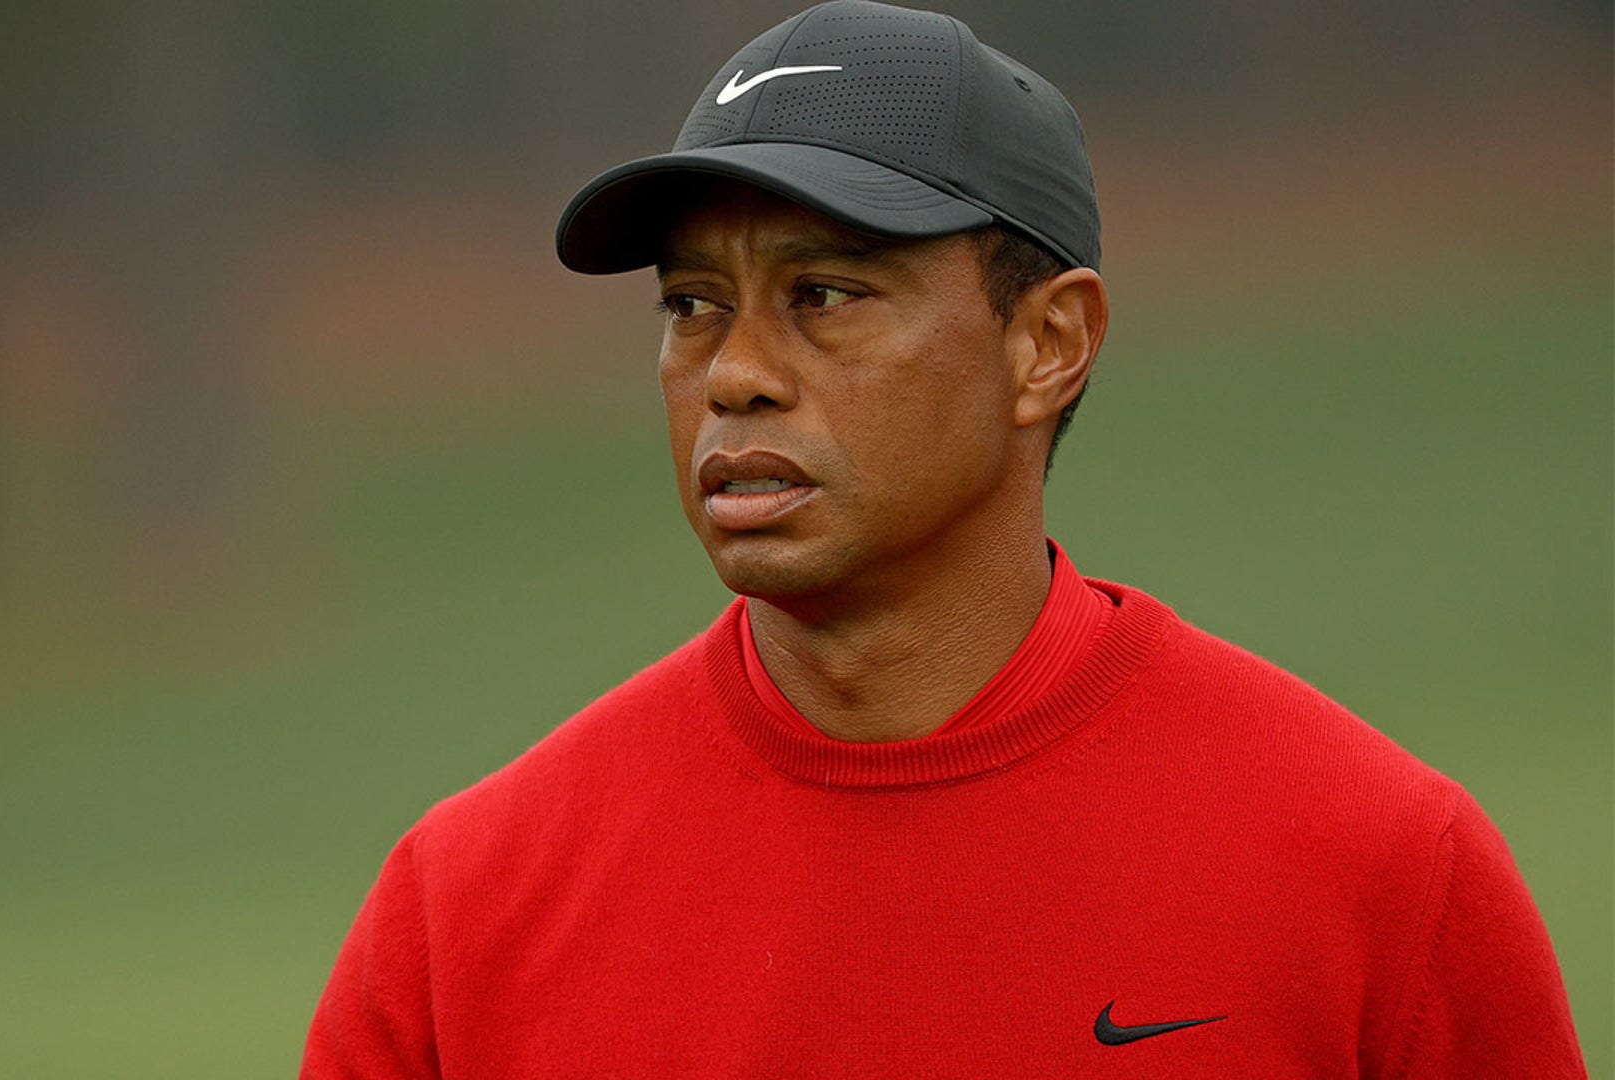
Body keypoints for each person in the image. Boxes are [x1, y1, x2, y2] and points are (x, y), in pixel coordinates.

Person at [300, 3, 1585, 1075]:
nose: (735, 372)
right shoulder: (464, 914)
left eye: (825, 294)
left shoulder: (1382, 870)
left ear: (1049, 344)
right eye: (694, 304)